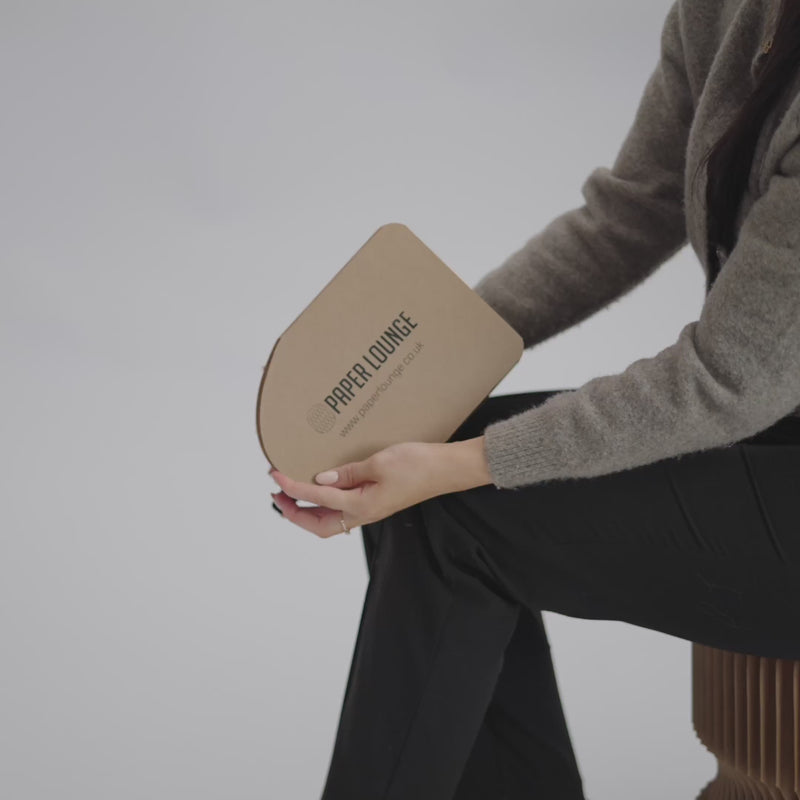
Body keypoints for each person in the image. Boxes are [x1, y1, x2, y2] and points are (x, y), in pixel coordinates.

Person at [269, 0, 800, 797]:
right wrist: (421, 371)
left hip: (763, 418)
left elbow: (727, 379)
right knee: (432, 486)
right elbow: (630, 210)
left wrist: (467, 463)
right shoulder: (719, 12)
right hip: (779, 426)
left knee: (456, 510)